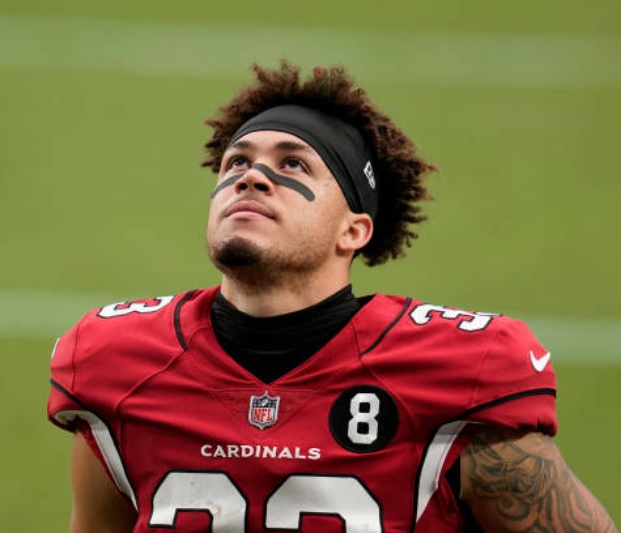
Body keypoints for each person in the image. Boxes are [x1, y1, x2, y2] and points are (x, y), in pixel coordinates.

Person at [47, 62, 616, 532]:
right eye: (237, 162)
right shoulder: (117, 360)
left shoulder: (459, 371)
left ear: (354, 230)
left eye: (293, 164)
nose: (252, 177)